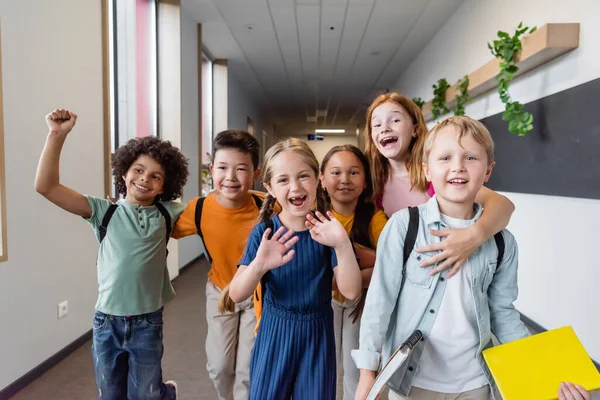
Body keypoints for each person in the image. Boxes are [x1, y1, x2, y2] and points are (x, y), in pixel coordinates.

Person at [354, 116, 530, 400]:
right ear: (426, 170)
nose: (458, 167)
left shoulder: (501, 241)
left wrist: (542, 368)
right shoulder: (403, 226)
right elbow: (379, 303)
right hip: (412, 381)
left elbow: (503, 313)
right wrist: (367, 373)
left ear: (488, 171)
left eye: (471, 157)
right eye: (445, 158)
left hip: (475, 382)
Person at [35, 109, 189, 399]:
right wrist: (57, 135)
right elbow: (46, 187)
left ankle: (164, 393)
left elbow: (214, 211)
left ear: (164, 187)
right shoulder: (104, 211)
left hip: (147, 322)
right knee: (110, 395)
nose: (145, 179)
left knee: (146, 394)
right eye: (139, 170)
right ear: (124, 172)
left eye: (156, 176)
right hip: (107, 323)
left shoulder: (169, 213)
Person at [228, 139, 362, 399]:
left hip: (318, 334)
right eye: (283, 180)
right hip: (275, 331)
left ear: (318, 179)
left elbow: (351, 290)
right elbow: (235, 294)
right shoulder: (265, 231)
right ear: (269, 187)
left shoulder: (328, 229)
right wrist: (259, 265)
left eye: (303, 176)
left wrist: (342, 244)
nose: (295, 187)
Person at [363, 92, 515, 277]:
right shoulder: (372, 183)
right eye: (377, 124)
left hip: (443, 268)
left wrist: (472, 237)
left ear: (415, 129)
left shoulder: (435, 174)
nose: (385, 128)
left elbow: (503, 205)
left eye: (394, 120)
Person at [171, 130, 263, 400]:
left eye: (241, 169)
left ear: (256, 173)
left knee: (247, 367)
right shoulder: (198, 209)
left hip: (258, 295)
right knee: (220, 366)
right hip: (221, 292)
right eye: (222, 168)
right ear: (212, 170)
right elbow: (159, 229)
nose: (230, 177)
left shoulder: (267, 206)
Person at [320, 145, 388, 400]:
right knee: (326, 367)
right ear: (322, 179)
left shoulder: (375, 218)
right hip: (323, 302)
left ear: (365, 181)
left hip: (361, 304)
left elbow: (393, 263)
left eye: (354, 172)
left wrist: (354, 280)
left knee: (356, 371)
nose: (345, 180)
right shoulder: (313, 215)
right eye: (336, 172)